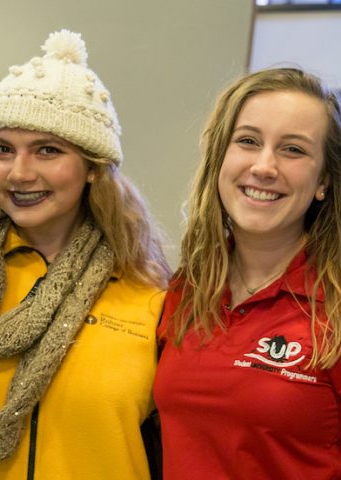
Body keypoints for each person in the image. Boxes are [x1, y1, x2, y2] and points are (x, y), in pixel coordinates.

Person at [0, 29, 170, 480]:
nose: (20, 173)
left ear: (93, 168)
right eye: (3, 149)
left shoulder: (150, 296)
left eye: (47, 151)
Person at [154, 67, 341, 479]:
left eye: (293, 150)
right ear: (221, 156)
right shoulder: (187, 290)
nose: (264, 166)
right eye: (248, 141)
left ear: (323, 180)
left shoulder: (334, 309)